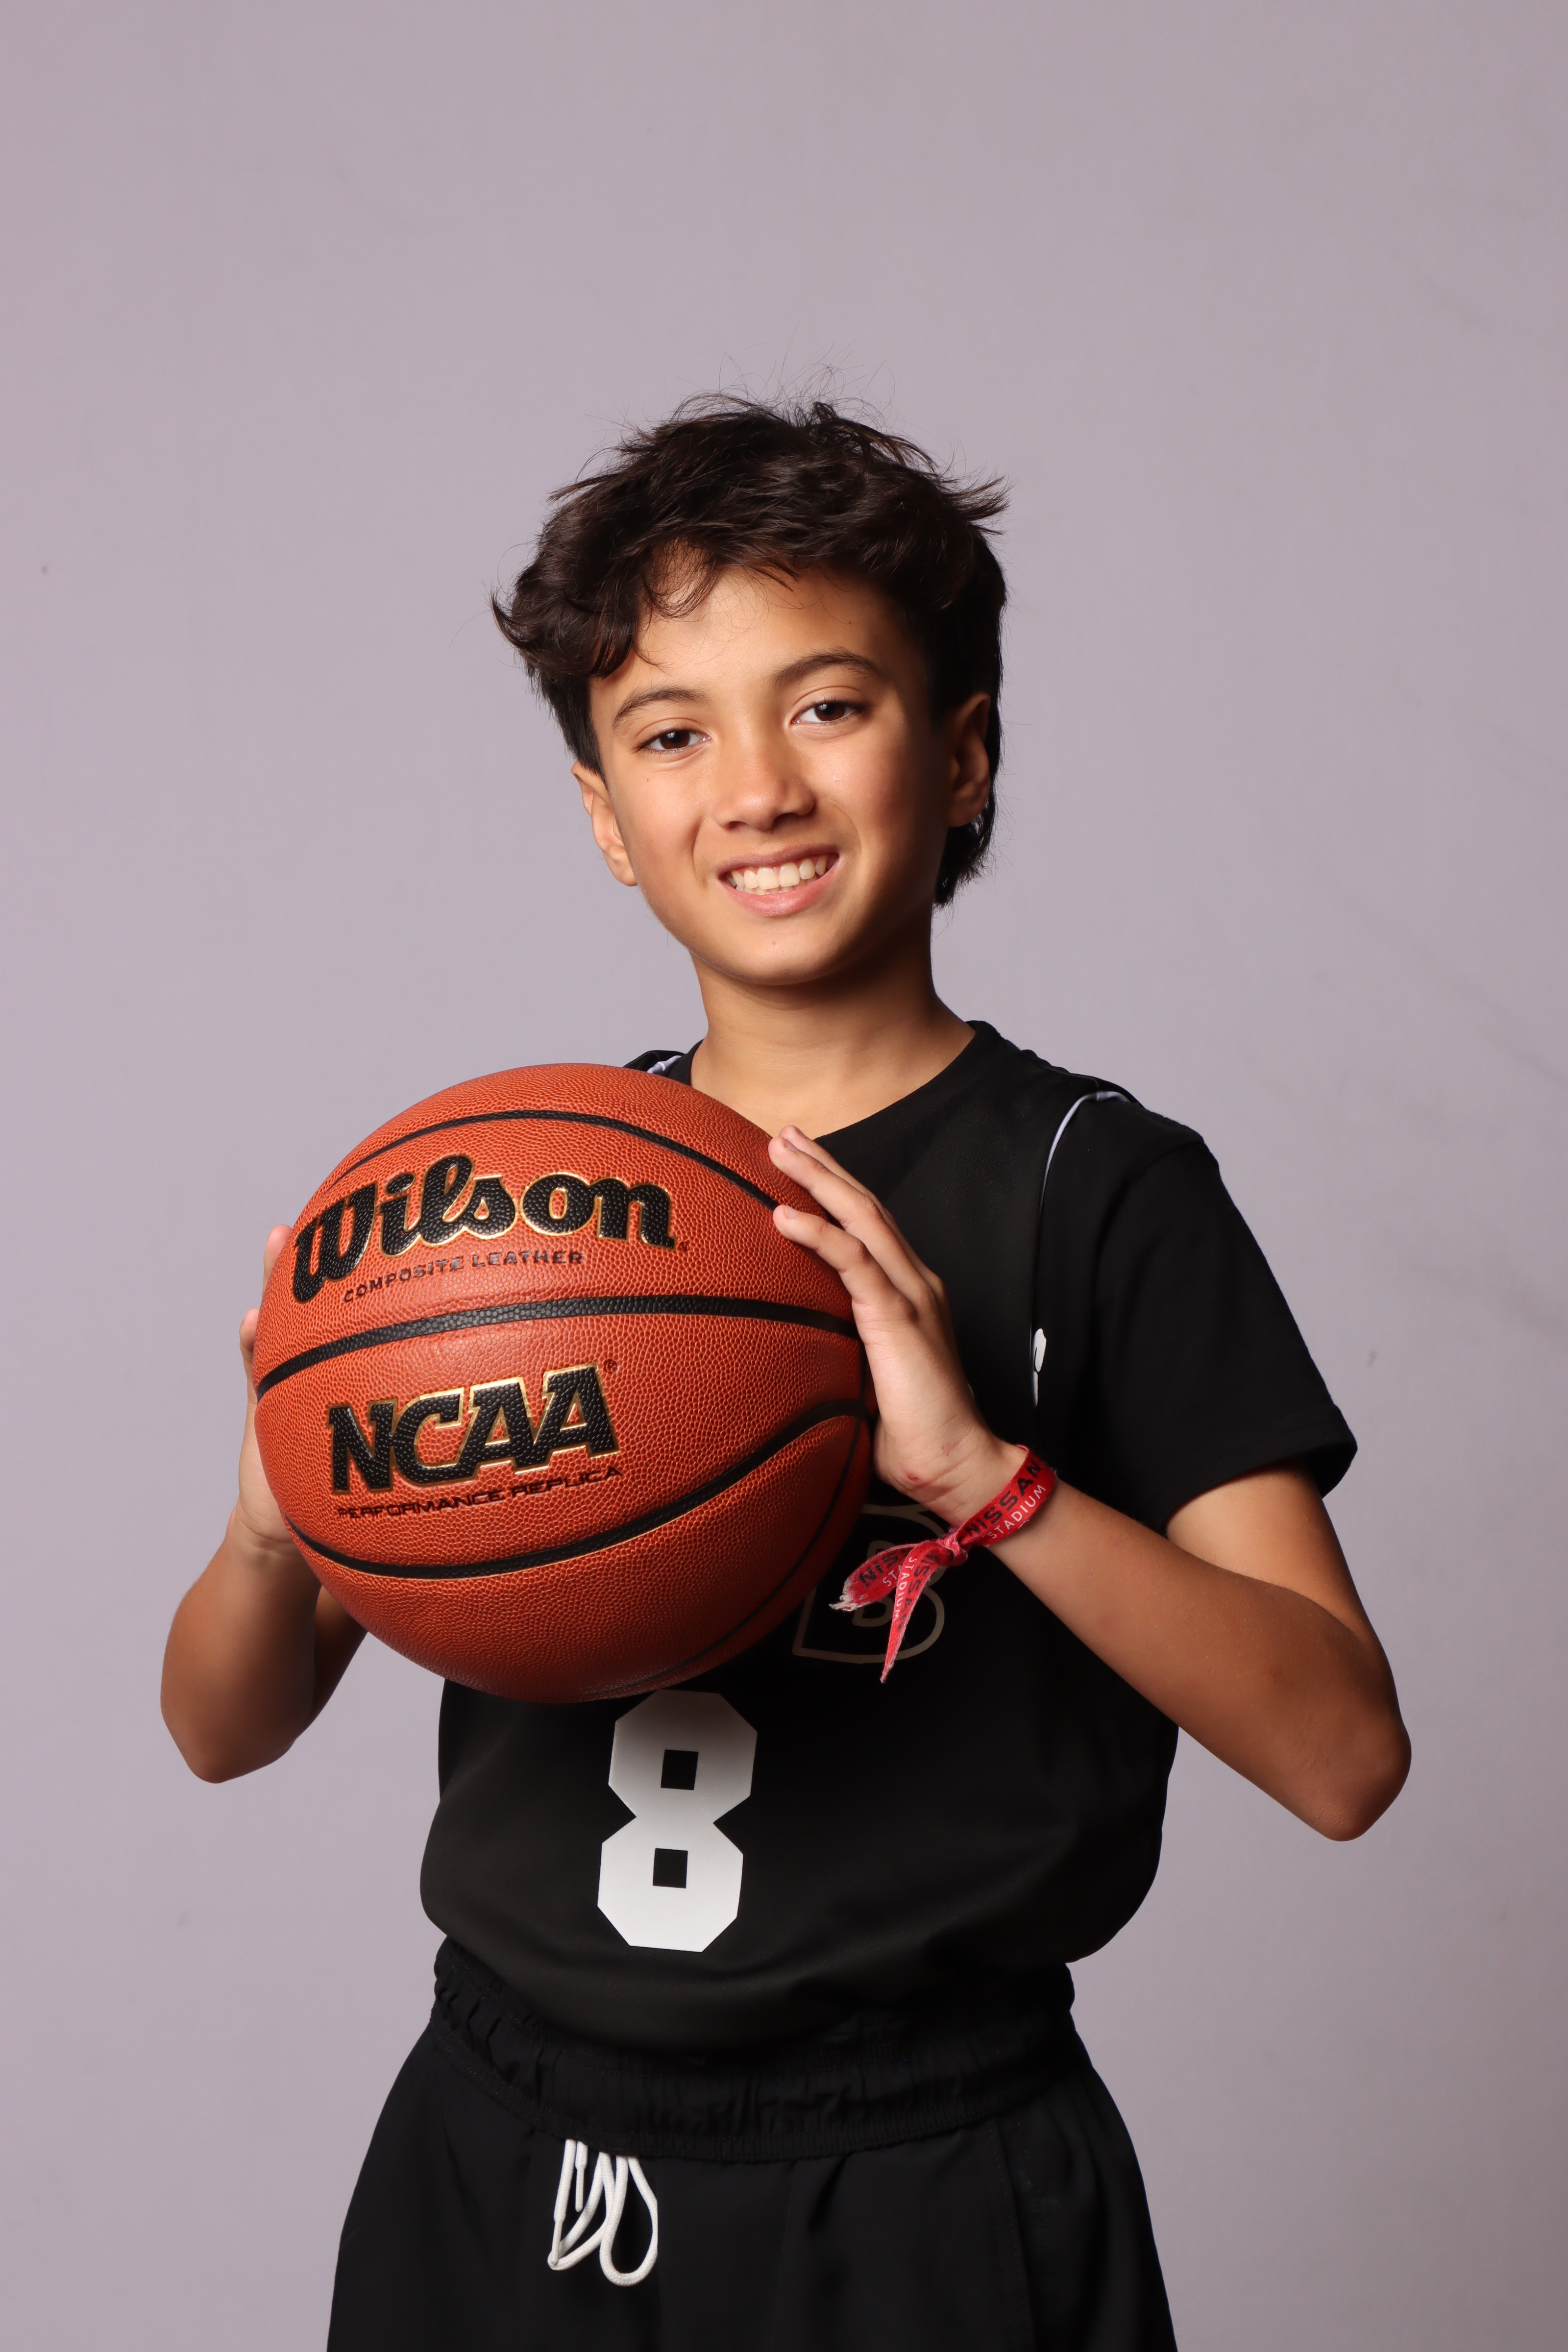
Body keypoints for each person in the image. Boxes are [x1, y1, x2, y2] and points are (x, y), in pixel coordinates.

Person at [161, 395, 1410, 2350]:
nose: (753, 785)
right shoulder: (512, 1208)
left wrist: (986, 1482)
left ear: (962, 755)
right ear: (604, 816)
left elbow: (1341, 1758)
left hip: (917, 2177)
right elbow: (220, 1732)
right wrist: (273, 1516)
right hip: (501, 2139)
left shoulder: (1098, 1191)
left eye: (825, 705)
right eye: (670, 734)